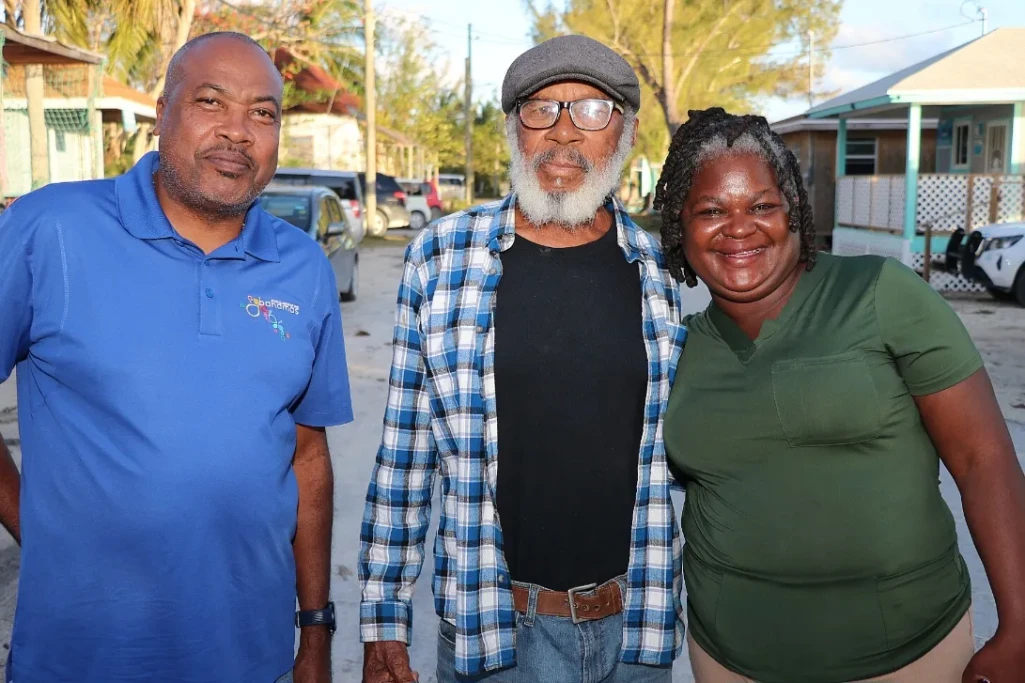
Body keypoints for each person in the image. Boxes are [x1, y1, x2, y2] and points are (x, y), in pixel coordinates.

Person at [0, 32, 352, 683]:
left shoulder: (301, 266)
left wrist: (315, 633)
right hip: (79, 658)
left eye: (263, 113)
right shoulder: (51, 230)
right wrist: (36, 525)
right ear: (162, 112)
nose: (238, 132)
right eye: (211, 101)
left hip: (249, 658)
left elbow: (307, 457)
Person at [653, 108, 1025, 683]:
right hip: (729, 659)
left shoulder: (880, 293)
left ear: (793, 209)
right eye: (711, 211)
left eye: (760, 206)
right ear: (680, 226)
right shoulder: (678, 346)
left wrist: (1020, 624)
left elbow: (984, 460)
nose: (738, 228)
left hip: (908, 657)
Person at [359, 35, 688, 683]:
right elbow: (405, 455)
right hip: (493, 631)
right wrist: (382, 621)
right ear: (513, 128)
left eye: (590, 110)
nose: (562, 134)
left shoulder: (660, 273)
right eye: (540, 109)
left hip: (636, 632)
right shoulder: (442, 257)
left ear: (625, 132)